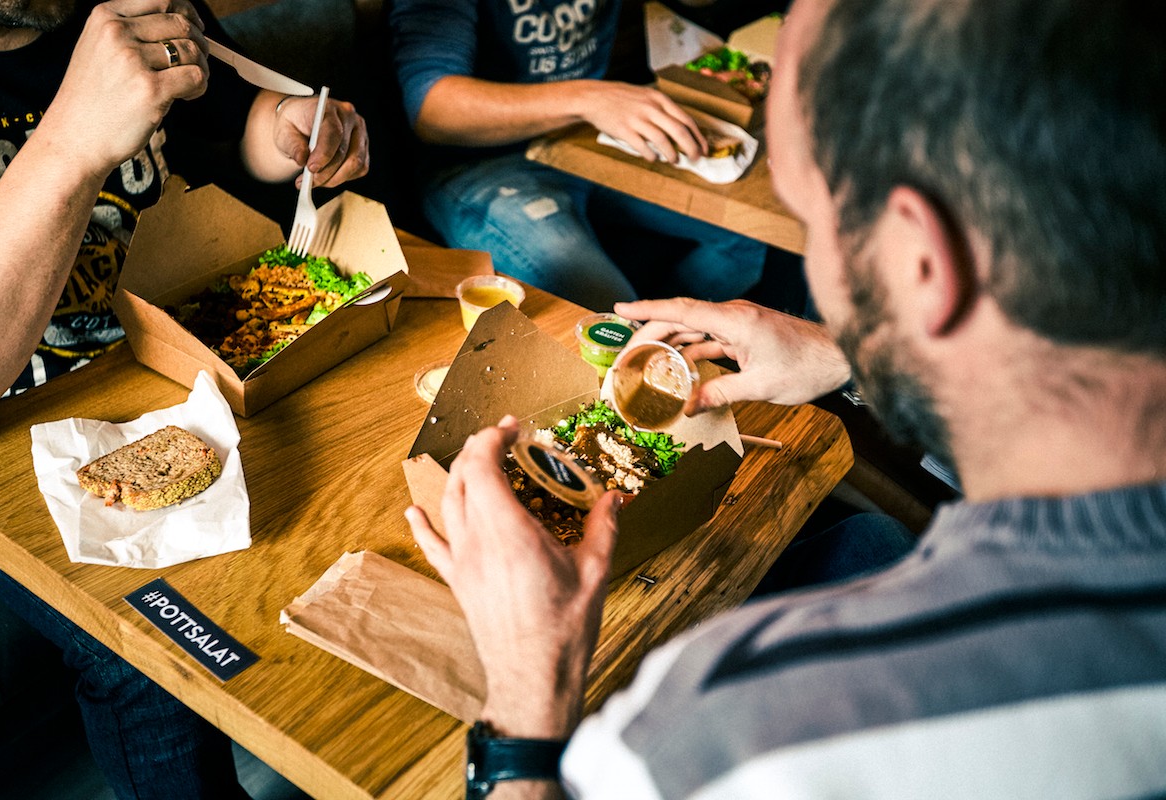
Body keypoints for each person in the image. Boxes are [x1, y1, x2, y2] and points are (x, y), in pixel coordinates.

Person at [403, 0, 1166, 796]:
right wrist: (849, 358)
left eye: (808, 219)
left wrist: (528, 705)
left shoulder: (728, 737)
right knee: (864, 535)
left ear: (921, 265)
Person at [0, 1, 368, 796]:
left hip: (169, 366)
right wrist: (71, 141)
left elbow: (232, 114)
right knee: (149, 650)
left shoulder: (123, 3)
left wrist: (289, 127)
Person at [388, 0, 769, 310]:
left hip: (590, 141)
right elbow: (432, 110)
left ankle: (661, 338)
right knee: (605, 310)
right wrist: (589, 98)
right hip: (480, 166)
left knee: (750, 237)